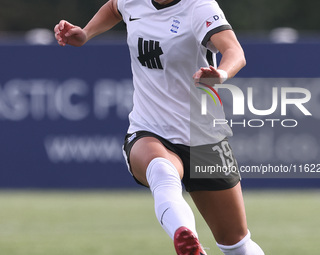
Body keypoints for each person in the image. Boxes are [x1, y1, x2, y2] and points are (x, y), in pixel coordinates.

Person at [54, 0, 265, 254]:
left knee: (236, 245)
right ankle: (188, 242)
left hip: (203, 138)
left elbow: (235, 52)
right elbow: (114, 8)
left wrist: (220, 73)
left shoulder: (199, 7)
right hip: (149, 128)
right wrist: (86, 32)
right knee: (162, 171)